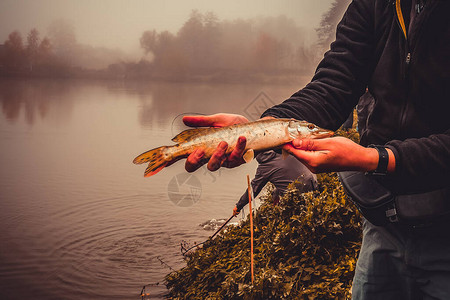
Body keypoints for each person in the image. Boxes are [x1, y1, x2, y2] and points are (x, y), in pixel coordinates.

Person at [182, 0, 450, 298]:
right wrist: (264, 128)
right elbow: (333, 84)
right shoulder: (373, 4)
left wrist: (375, 158)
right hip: (382, 224)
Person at [232, 150, 318, 217]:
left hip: (298, 198)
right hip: (314, 185)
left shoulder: (265, 167)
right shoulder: (284, 152)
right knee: (276, 191)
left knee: (280, 195)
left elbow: (253, 190)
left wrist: (238, 206)